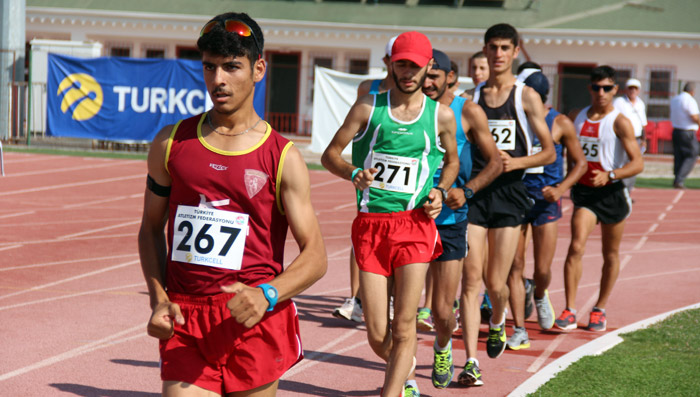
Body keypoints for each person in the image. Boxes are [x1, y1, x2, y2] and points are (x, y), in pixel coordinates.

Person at [137, 12, 327, 397]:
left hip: (253, 317)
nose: (218, 80)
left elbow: (317, 256)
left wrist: (267, 294)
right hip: (185, 318)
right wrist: (159, 299)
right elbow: (150, 229)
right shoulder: (170, 143)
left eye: (231, 67)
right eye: (209, 67)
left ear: (258, 69)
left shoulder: (282, 156)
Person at [322, 31, 459, 397]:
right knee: (377, 333)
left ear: (429, 67)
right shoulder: (369, 108)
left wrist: (440, 191)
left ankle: (394, 389)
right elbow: (331, 154)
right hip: (371, 227)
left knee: (404, 326)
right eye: (402, 64)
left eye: (416, 66)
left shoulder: (441, 116)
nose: (409, 72)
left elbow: (452, 161)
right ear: (390, 64)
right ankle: (405, 365)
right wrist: (353, 173)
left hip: (414, 224)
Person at [458, 23, 555, 386]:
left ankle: (498, 321)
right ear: (484, 51)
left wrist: (516, 162)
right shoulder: (472, 97)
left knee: (496, 282)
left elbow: (547, 151)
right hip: (477, 192)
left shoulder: (526, 96)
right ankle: (470, 362)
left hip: (511, 194)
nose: (497, 54)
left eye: (504, 47)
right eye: (492, 47)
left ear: (515, 51)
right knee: (471, 279)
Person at [421, 49, 502, 389]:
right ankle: (405, 377)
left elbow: (496, 162)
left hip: (451, 219)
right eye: (422, 74)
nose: (426, 82)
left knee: (442, 310)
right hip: (410, 219)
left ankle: (443, 345)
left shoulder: (467, 112)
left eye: (434, 75)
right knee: (406, 310)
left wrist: (467, 191)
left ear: (450, 77)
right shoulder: (405, 110)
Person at [555, 65, 643, 332]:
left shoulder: (619, 122)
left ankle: (599, 309)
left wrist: (611, 174)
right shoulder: (576, 117)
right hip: (585, 194)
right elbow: (569, 156)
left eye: (606, 88)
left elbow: (637, 163)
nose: (601, 93)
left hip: (612, 193)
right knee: (576, 246)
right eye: (596, 88)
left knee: (610, 253)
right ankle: (570, 309)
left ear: (615, 90)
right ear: (589, 89)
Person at [505, 65, 587, 350]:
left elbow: (581, 164)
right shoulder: (514, 118)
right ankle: (517, 328)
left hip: (545, 202)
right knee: (514, 265)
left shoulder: (560, 122)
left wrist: (561, 189)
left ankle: (539, 293)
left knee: (541, 268)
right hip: (516, 198)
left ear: (541, 98)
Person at [334, 36, 400, 324]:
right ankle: (355, 298)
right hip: (369, 175)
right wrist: (355, 169)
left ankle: (392, 298)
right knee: (362, 231)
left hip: (401, 179)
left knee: (397, 237)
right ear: (386, 61)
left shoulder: (415, 94)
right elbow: (358, 127)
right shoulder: (367, 89)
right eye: (392, 59)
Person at [613, 78, 647, 192]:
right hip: (622, 138)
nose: (633, 91)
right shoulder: (619, 102)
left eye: (635, 88)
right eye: (630, 88)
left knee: (634, 164)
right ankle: (619, 190)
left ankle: (627, 191)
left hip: (636, 138)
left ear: (638, 90)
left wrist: (644, 139)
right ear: (626, 89)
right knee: (622, 164)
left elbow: (643, 123)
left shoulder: (640, 103)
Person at [669, 82, 699, 189]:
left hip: (676, 130)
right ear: (692, 91)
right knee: (692, 154)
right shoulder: (689, 100)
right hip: (687, 132)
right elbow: (694, 116)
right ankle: (679, 179)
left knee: (679, 156)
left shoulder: (675, 99)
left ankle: (677, 177)